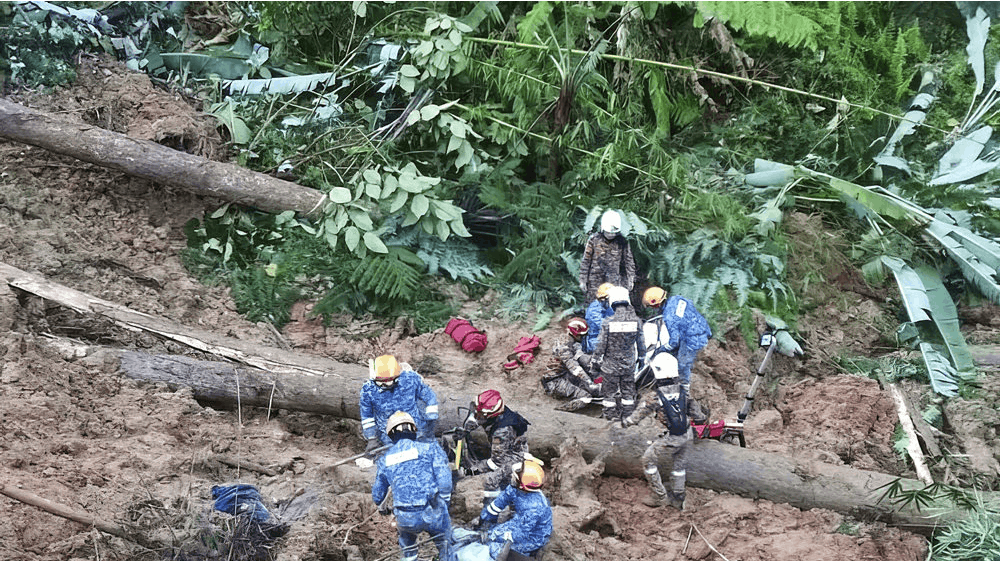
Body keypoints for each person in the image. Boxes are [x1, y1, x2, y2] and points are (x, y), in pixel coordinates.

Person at [622, 353, 708, 510]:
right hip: (687, 434)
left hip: (671, 438)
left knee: (647, 460)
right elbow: (700, 416)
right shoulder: (685, 392)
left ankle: (659, 496)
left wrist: (625, 423)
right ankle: (678, 496)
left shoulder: (654, 396)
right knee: (679, 465)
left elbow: (637, 416)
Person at [372, 411, 452, 561]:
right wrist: (445, 502)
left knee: (408, 548)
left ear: (391, 434)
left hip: (404, 517)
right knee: (444, 542)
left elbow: (377, 495)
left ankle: (410, 557)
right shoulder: (430, 449)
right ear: (414, 430)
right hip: (431, 511)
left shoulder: (385, 459)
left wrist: (382, 508)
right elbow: (445, 480)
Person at [360, 354, 440, 454]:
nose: (384, 385)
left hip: (415, 430)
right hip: (388, 435)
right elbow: (367, 417)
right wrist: (371, 438)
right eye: (380, 382)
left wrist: (431, 419)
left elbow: (429, 396)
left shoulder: (410, 380)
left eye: (388, 382)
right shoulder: (368, 390)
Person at [474, 459, 552, 560]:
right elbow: (500, 502)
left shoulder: (535, 507)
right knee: (491, 534)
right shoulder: (516, 488)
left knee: (495, 549)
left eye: (514, 476)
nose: (511, 476)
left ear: (522, 484)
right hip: (519, 522)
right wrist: (484, 519)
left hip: (533, 536)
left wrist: (499, 537)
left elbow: (520, 533)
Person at [463, 389, 531, 502]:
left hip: (514, 457)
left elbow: (496, 462)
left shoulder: (501, 432)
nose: (476, 416)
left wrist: (474, 469)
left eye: (480, 415)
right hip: (505, 446)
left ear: (490, 416)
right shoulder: (497, 411)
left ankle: (497, 503)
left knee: (491, 480)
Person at [641, 286, 712, 393]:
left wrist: (660, 350)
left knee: (682, 364)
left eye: (652, 306)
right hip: (703, 329)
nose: (653, 309)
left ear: (657, 304)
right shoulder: (678, 299)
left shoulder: (669, 316)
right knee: (675, 354)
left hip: (692, 339)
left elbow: (674, 342)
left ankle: (684, 389)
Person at [592, 286, 644, 422]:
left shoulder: (607, 323)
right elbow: (641, 344)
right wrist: (642, 358)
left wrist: (596, 361)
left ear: (612, 302)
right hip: (628, 365)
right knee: (628, 392)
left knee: (609, 393)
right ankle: (627, 416)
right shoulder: (636, 322)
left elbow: (601, 346)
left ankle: (610, 416)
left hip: (610, 366)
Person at [579, 210, 636, 301]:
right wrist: (583, 279)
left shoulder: (622, 242)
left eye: (613, 233)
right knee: (595, 304)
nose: (611, 235)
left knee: (613, 303)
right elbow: (586, 260)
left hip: (613, 280)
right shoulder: (594, 239)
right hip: (595, 281)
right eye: (608, 232)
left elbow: (629, 261)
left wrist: (631, 278)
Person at [543, 318, 602, 407]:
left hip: (567, 376)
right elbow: (574, 367)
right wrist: (589, 382)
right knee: (585, 397)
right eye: (581, 335)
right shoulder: (563, 347)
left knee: (594, 390)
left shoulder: (572, 342)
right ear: (575, 332)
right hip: (555, 381)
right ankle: (560, 411)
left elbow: (582, 358)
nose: (583, 337)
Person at [583, 282, 615, 353]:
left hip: (608, 339)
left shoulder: (608, 307)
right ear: (604, 298)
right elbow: (603, 325)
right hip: (595, 341)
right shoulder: (593, 310)